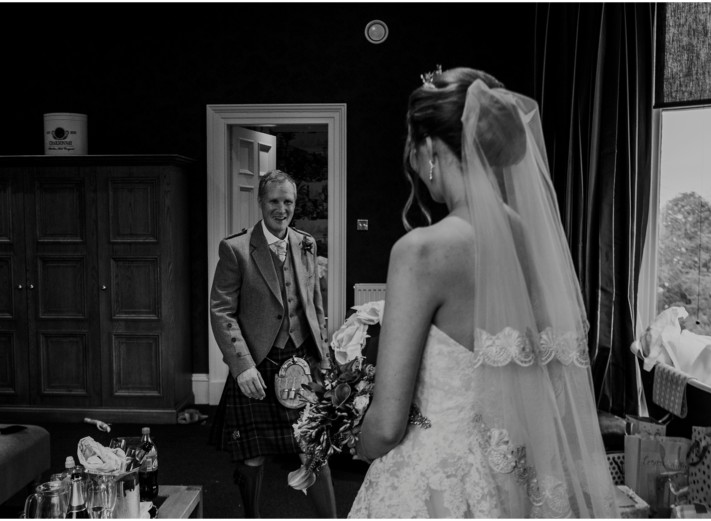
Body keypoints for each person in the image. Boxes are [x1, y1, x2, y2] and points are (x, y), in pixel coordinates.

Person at [349, 67, 619, 518]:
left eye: (413, 150)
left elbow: (387, 425)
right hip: (512, 475)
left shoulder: (422, 250)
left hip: (437, 485)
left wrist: (345, 439)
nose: (414, 164)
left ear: (430, 148)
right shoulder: (531, 241)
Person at [209, 170, 337, 518]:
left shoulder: (306, 242)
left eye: (288, 202)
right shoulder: (235, 249)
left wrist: (323, 359)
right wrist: (243, 366)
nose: (282, 209)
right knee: (253, 452)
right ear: (261, 203)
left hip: (303, 359)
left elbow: (314, 304)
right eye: (274, 201)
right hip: (260, 363)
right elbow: (221, 311)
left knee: (314, 447)